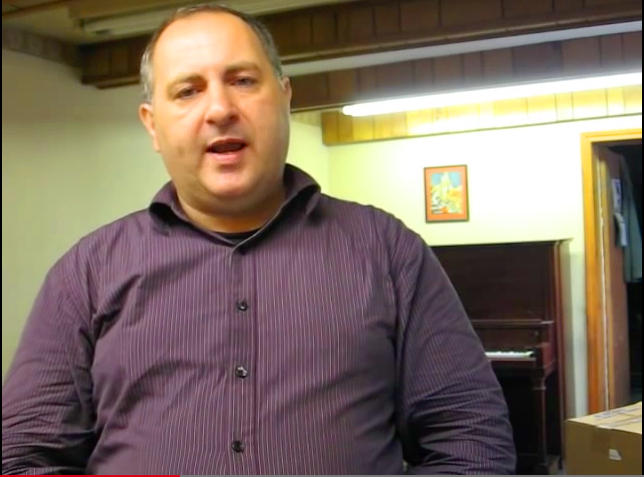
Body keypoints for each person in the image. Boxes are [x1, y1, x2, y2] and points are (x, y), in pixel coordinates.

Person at [2, 4, 516, 474]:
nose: (220, 109)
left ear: (285, 97)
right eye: (187, 90)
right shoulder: (87, 271)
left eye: (243, 80)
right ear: (153, 125)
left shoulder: (387, 251)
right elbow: (25, 455)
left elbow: (470, 438)